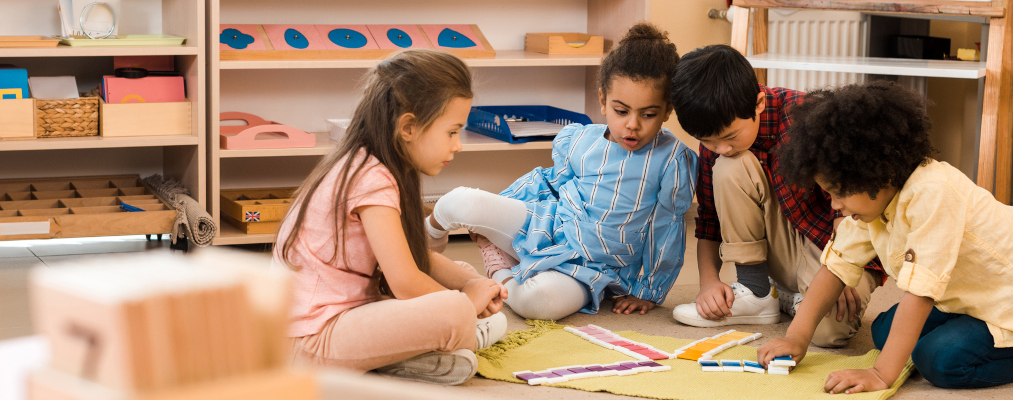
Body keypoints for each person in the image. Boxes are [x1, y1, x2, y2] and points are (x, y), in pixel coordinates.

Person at [428, 23, 697, 320]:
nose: (633, 124)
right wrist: (499, 210)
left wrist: (649, 291)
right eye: (621, 111)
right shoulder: (580, 140)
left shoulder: (672, 159)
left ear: (667, 110)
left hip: (595, 268)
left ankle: (497, 272)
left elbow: (667, 230)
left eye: (648, 114)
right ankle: (420, 249)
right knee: (460, 201)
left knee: (538, 302)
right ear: (603, 100)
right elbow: (547, 183)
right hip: (548, 226)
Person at [758, 81, 1013, 393]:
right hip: (967, 298)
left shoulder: (933, 193)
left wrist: (880, 374)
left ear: (880, 172)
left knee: (940, 360)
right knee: (883, 330)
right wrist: (795, 337)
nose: (835, 205)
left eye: (839, 193)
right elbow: (835, 268)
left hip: (1005, 303)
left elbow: (920, 294)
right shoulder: (872, 202)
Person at [274, 49, 508, 385]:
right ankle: (454, 339)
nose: (458, 145)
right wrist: (467, 302)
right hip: (310, 341)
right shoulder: (371, 177)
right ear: (409, 127)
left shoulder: (375, 164)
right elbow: (405, 282)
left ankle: (406, 357)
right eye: (452, 132)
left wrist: (470, 284)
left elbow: (413, 259)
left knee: (464, 276)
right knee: (455, 311)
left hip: (344, 318)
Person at [668, 44, 883, 348]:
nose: (720, 149)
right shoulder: (718, 145)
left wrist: (843, 267)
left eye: (729, 137)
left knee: (828, 332)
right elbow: (709, 220)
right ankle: (756, 292)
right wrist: (708, 283)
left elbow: (848, 209)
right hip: (782, 244)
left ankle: (789, 297)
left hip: (837, 243)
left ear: (758, 104)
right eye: (708, 142)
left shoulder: (807, 117)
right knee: (729, 167)